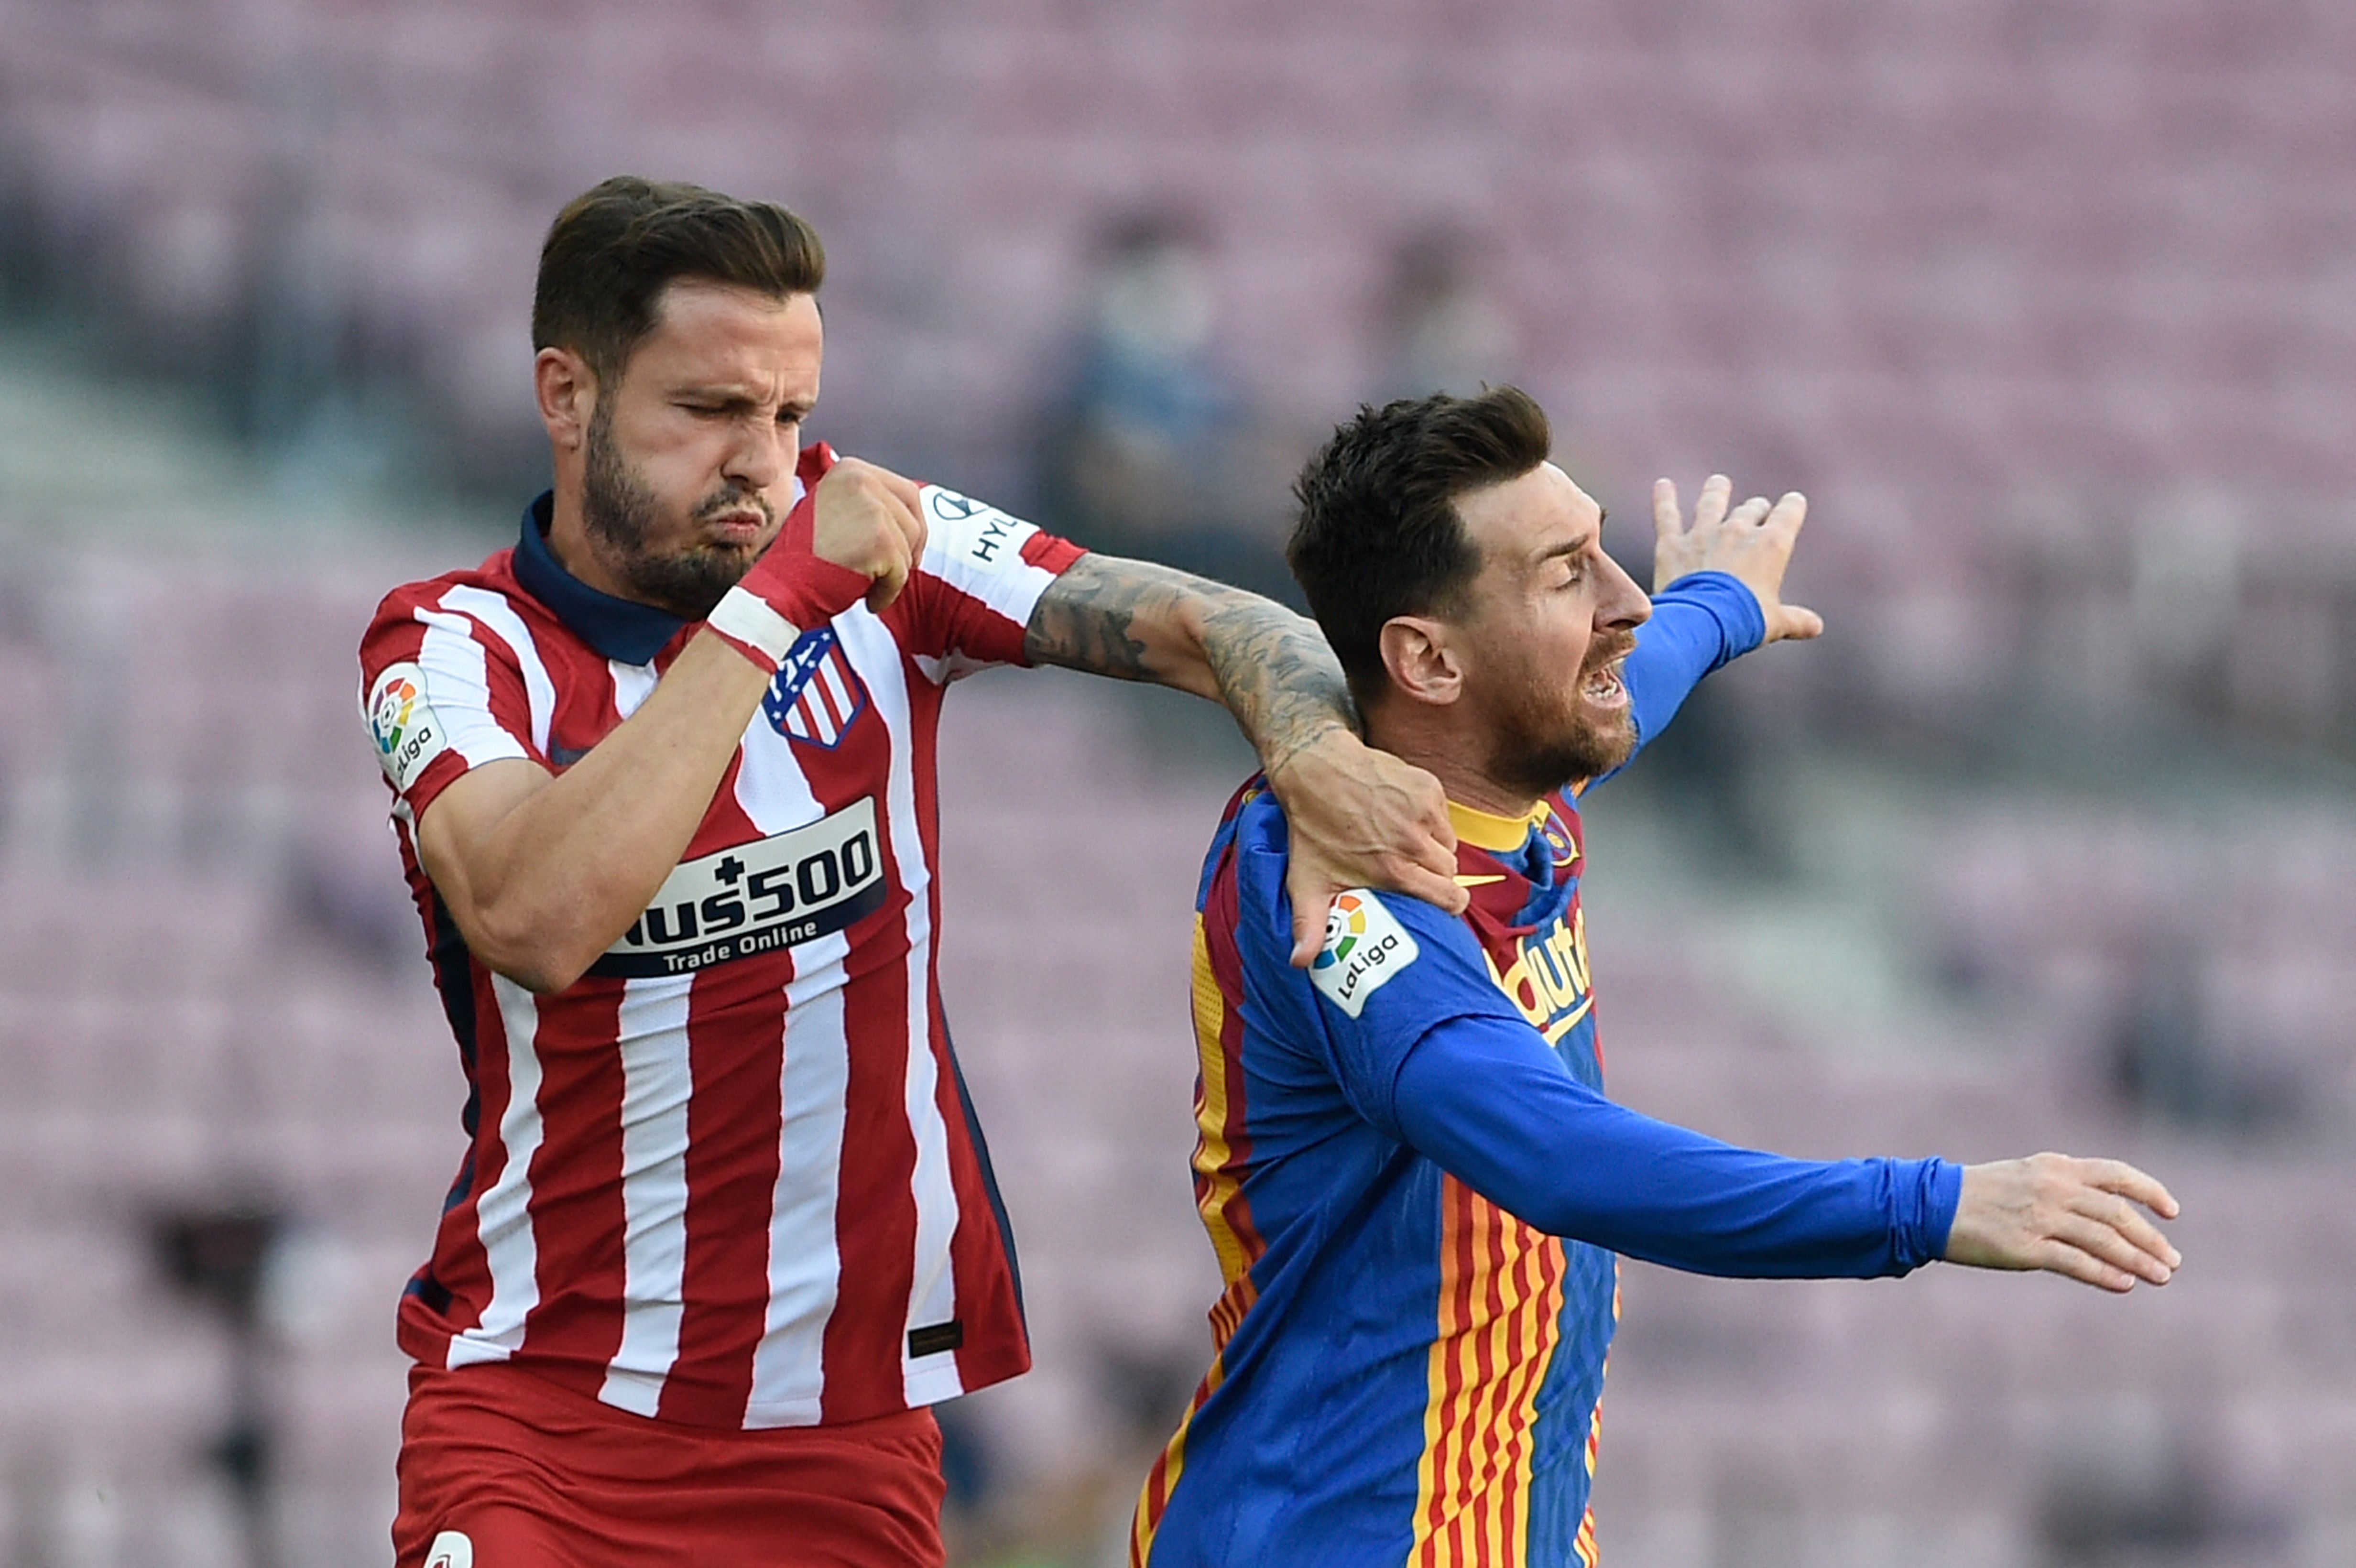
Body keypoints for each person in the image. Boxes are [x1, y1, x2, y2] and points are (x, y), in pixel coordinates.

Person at [357, 176, 1464, 1568]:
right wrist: (774, 610)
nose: (764, 463)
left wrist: (1309, 745)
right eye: (709, 413)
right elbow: (532, 914)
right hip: (545, 1426)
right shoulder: (451, 650)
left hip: (845, 1440)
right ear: (567, 396)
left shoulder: (884, 545)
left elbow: (1208, 616)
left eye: (791, 416)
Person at [1127, 388, 2182, 1567]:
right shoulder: (1343, 903)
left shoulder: (1513, 784)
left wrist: (1720, 604)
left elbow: (1639, 677)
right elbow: (1558, 1157)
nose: (1627, 603)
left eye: (1606, 553)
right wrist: (1925, 1205)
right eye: (1568, 573)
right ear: (1427, 659)